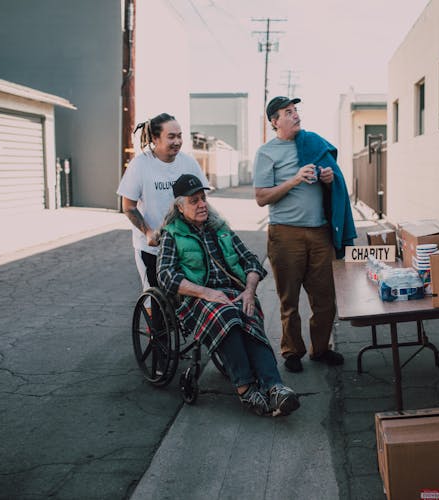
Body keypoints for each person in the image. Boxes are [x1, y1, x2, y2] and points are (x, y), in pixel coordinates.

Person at [156, 174, 300, 417]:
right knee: (227, 316)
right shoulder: (173, 234)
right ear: (180, 207)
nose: (202, 204)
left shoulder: (220, 228)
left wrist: (248, 291)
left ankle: (274, 387)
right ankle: (246, 389)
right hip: (196, 300)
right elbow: (166, 275)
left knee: (247, 313)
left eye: (203, 198)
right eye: (194, 200)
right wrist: (206, 292)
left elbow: (251, 261)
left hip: (233, 293)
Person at [253, 96, 356, 373]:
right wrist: (295, 179)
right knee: (289, 298)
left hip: (320, 232)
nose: (296, 115)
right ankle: (292, 351)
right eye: (288, 112)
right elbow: (262, 197)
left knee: (325, 297)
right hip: (285, 234)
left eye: (296, 110)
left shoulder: (313, 143)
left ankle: (321, 349)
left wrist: (328, 180)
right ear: (275, 121)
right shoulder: (267, 152)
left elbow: (334, 179)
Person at [117, 113, 209, 291]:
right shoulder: (140, 165)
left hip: (185, 245)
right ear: (155, 138)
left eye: (180, 136)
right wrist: (148, 232)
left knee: (185, 298)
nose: (177, 141)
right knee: (155, 301)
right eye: (171, 136)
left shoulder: (188, 163)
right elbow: (128, 207)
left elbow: (202, 199)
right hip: (152, 248)